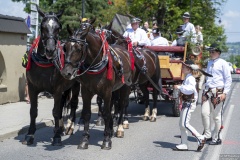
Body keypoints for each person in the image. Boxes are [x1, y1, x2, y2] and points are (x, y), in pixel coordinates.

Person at [201, 43, 232, 145]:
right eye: (210, 51)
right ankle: (208, 134)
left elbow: (228, 79)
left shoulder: (223, 63)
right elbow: (207, 77)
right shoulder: (209, 62)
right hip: (208, 91)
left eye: (212, 52)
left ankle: (217, 137)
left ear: (218, 53)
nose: (210, 53)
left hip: (218, 92)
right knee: (204, 113)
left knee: (216, 116)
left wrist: (225, 92)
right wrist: (204, 89)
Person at [172, 60, 206, 151]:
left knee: (184, 124)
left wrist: (179, 87)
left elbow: (190, 90)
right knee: (181, 125)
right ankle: (184, 144)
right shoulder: (188, 77)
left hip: (190, 103)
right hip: (186, 102)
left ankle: (200, 138)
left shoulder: (190, 78)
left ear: (188, 69)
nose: (182, 68)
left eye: (183, 67)